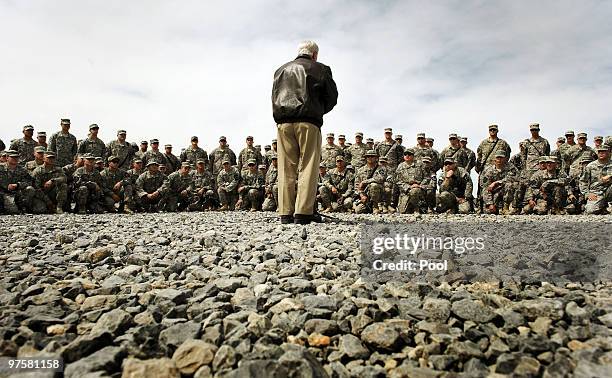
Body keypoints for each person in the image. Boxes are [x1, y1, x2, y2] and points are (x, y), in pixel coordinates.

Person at [272, 40, 338, 224]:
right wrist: (316, 108)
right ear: (314, 54)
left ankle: (285, 212)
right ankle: (303, 212)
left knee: (286, 167)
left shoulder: (280, 70)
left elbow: (275, 95)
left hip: (283, 121)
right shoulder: (321, 68)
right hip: (309, 121)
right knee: (308, 165)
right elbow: (332, 98)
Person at [395, 148, 428, 214]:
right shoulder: (400, 166)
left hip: (418, 190)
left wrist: (419, 186)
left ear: (413, 156)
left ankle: (416, 208)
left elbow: (426, 178)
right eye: (405, 154)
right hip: (406, 191)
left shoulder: (420, 165)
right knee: (403, 211)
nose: (407, 156)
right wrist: (408, 187)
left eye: (409, 154)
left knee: (415, 191)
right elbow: (398, 181)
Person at [579, 146, 611, 214]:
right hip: (596, 192)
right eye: (599, 152)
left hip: (610, 191)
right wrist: (587, 194)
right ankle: (603, 207)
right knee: (591, 210)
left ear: (609, 153)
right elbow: (583, 181)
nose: (601, 153)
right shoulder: (590, 166)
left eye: (603, 152)